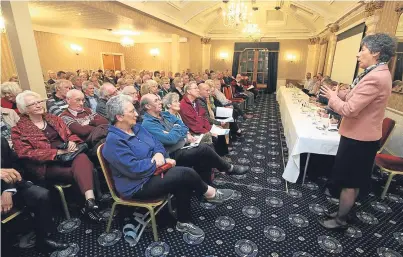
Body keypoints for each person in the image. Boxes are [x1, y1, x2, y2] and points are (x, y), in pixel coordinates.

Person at [102, 95, 233, 238]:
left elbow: (157, 144)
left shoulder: (137, 128)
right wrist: (158, 161)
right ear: (119, 117)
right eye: (131, 111)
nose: (136, 114)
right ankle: (210, 193)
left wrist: (158, 155)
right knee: (185, 174)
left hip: (152, 173)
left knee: (183, 179)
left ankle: (184, 221)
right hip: (137, 185)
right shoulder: (114, 142)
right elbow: (134, 169)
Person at [319, 33, 397, 230]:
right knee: (348, 179)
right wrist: (341, 94)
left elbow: (350, 110)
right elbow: (357, 97)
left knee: (350, 181)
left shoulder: (376, 78)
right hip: (359, 136)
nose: (358, 54)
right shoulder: (374, 73)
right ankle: (341, 213)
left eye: (363, 49)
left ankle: (340, 220)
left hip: (359, 139)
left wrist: (331, 98)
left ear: (376, 53)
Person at [12, 90, 102, 222]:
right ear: (24, 110)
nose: (38, 105)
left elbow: (70, 134)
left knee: (83, 158)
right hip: (46, 165)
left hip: (69, 154)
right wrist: (56, 153)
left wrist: (71, 141)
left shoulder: (53, 118)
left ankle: (89, 201)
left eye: (39, 102)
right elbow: (25, 152)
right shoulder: (18, 129)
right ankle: (85, 205)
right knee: (79, 172)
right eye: (33, 104)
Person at [141, 93, 248, 182]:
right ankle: (228, 168)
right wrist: (177, 129)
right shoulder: (147, 123)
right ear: (147, 106)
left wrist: (175, 129)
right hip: (171, 154)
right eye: (156, 101)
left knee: (204, 156)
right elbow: (171, 140)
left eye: (159, 99)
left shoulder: (165, 114)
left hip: (183, 144)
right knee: (204, 149)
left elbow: (183, 126)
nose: (160, 102)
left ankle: (207, 187)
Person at [1, 136, 70, 254]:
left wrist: (8, 191)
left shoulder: (1, 141)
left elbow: (15, 167)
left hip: (7, 187)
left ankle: (43, 240)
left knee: (41, 195)